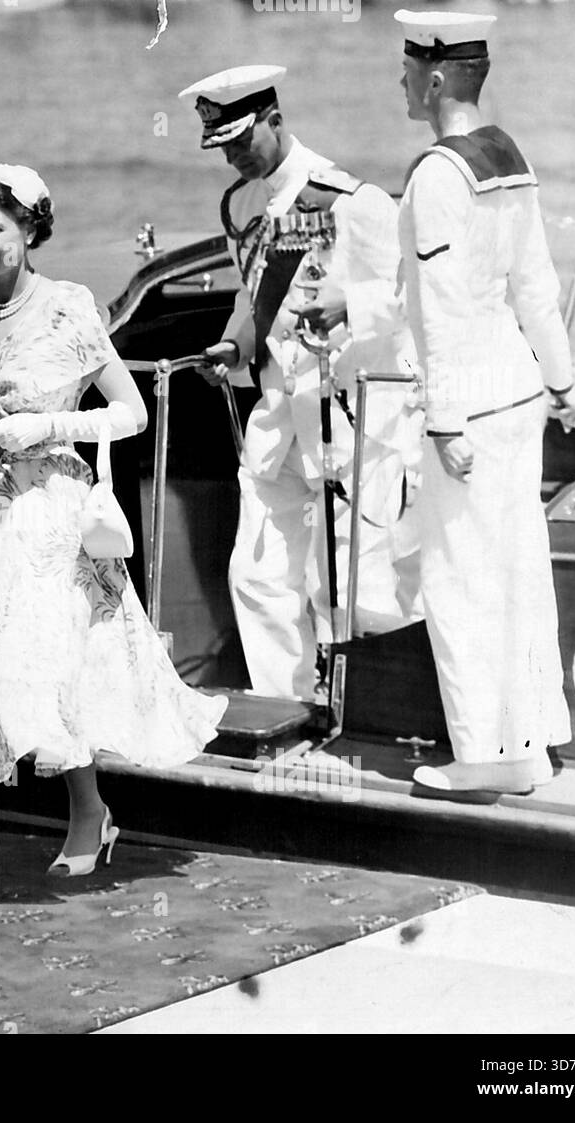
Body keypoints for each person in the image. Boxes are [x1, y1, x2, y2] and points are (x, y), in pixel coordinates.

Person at [0, 159, 228, 910]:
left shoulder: (69, 306)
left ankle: (89, 813)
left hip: (52, 511)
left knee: (54, 668)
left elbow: (131, 413)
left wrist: (49, 424)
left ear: (30, 228)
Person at [394, 10, 575, 793]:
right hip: (517, 393)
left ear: (438, 76)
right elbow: (536, 287)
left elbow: (441, 309)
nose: (402, 81)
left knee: (460, 578)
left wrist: (443, 420)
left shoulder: (437, 174)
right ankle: (528, 745)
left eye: (410, 70)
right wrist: (563, 381)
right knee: (517, 572)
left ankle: (482, 755)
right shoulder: (510, 156)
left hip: (469, 407)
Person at [183, 65, 422, 701]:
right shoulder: (240, 205)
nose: (234, 157)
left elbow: (413, 294)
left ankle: (375, 712)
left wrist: (351, 305)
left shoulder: (350, 199)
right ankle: (282, 709)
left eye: (242, 140)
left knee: (353, 585)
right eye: (223, 147)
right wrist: (235, 345)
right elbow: (254, 296)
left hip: (350, 421)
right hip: (278, 420)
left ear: (275, 120)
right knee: (256, 576)